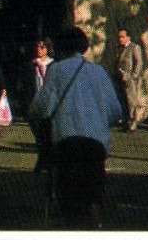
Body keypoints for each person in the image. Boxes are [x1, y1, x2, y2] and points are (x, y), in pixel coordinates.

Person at [29, 25, 123, 229]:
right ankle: (95, 226)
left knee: (69, 201)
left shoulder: (56, 70)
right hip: (95, 144)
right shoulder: (98, 71)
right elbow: (116, 110)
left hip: (67, 143)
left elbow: (40, 109)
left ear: (60, 48)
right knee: (92, 196)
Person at [113, 27, 146, 131]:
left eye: (122, 37)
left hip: (130, 79)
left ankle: (133, 122)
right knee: (123, 100)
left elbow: (139, 62)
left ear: (128, 37)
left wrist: (133, 76)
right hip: (120, 79)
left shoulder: (134, 47)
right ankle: (126, 121)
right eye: (119, 37)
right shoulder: (120, 48)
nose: (120, 39)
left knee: (131, 101)